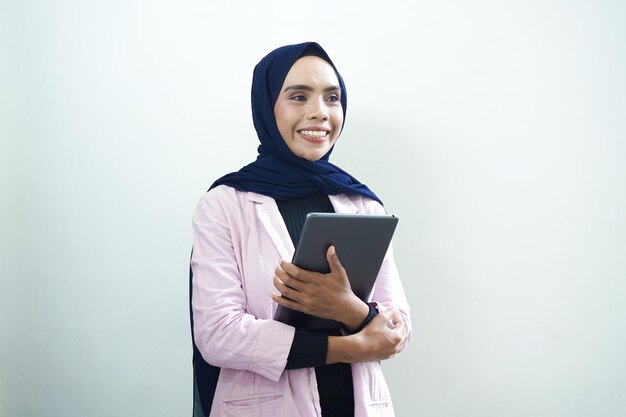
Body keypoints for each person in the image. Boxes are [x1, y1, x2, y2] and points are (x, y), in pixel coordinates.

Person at [190, 41, 411, 417]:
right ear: (266, 105)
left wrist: (350, 310)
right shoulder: (225, 204)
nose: (319, 113)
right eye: (298, 96)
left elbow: (397, 327)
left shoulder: (363, 204)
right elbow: (219, 334)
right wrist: (351, 346)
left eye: (332, 97)